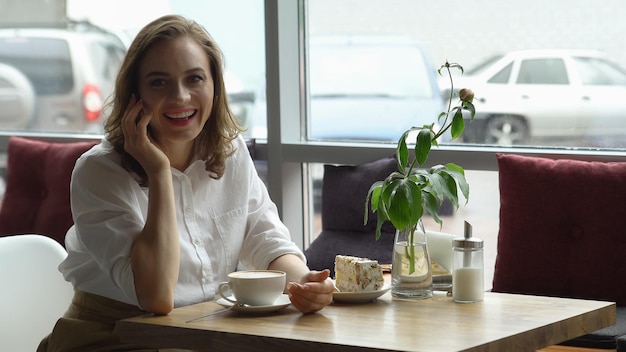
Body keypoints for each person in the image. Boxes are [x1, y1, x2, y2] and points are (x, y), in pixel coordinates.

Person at [38, 14, 334, 351]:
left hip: (202, 330)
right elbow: (156, 297)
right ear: (135, 94)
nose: (180, 96)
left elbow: (265, 238)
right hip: (112, 333)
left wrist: (304, 282)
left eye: (194, 78)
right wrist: (159, 172)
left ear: (214, 86)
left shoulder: (230, 152)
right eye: (159, 82)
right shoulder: (98, 172)